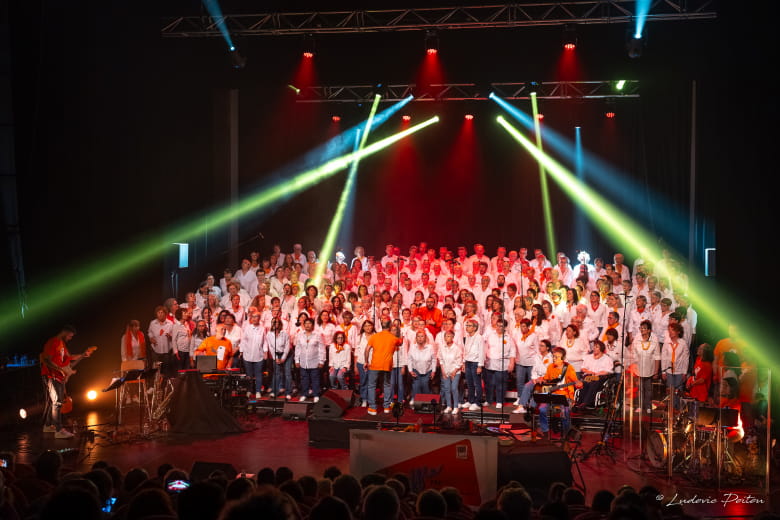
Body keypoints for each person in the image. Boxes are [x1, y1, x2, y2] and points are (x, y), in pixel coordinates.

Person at [41, 325, 90, 438]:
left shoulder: (61, 344)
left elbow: (70, 357)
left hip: (58, 375)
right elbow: (46, 360)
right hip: (50, 375)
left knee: (54, 401)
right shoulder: (53, 342)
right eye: (70, 336)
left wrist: (83, 355)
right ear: (64, 332)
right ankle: (59, 430)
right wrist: (60, 370)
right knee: (57, 402)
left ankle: (48, 426)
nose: (70, 338)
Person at [535, 347, 580, 437]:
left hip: (565, 396)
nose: (554, 359)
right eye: (553, 356)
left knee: (565, 412)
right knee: (542, 409)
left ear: (562, 359)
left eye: (556, 357)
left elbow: (576, 382)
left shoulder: (569, 368)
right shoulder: (550, 367)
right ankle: (545, 431)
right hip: (551, 395)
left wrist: (579, 383)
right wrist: (541, 380)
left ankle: (566, 433)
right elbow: (546, 379)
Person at [365, 319, 402, 415]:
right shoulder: (393, 338)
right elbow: (400, 343)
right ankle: (386, 407)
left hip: (375, 364)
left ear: (381, 326)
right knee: (387, 385)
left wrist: (366, 361)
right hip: (387, 364)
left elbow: (367, 349)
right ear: (390, 326)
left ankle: (373, 408)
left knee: (372, 385)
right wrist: (400, 334)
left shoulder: (374, 336)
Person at [513, 339, 553, 414]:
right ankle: (521, 406)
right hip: (537, 378)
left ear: (547, 348)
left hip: (546, 380)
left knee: (538, 389)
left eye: (542, 346)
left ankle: (531, 408)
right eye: (539, 346)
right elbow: (534, 369)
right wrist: (534, 378)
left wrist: (543, 378)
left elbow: (550, 371)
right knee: (527, 385)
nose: (540, 347)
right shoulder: (537, 356)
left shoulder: (551, 358)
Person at [483, 319, 516, 409]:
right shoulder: (490, 335)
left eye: (501, 326)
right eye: (497, 325)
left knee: (500, 384)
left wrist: (512, 363)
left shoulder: (508, 338)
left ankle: (499, 401)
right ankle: (489, 400)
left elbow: (512, 352)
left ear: (505, 327)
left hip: (502, 363)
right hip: (490, 362)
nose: (498, 327)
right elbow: (485, 347)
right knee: (489, 384)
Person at [629, 320, 660, 414]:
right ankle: (639, 406)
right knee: (639, 389)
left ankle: (648, 406)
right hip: (638, 369)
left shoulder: (654, 341)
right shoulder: (637, 339)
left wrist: (656, 370)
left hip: (649, 369)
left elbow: (657, 357)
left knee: (648, 389)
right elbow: (633, 354)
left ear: (649, 330)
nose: (642, 330)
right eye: (641, 328)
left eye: (644, 328)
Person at [574, 341, 614, 409]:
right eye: (594, 347)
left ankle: (586, 403)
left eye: (597, 347)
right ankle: (579, 402)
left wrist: (597, 374)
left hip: (600, 377)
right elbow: (583, 368)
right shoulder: (588, 357)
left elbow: (608, 371)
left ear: (601, 349)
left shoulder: (607, 359)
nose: (594, 348)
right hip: (589, 375)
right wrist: (590, 372)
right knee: (584, 383)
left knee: (593, 383)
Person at [295, 318, 326, 402]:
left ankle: (316, 394)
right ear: (304, 325)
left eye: (309, 323)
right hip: (303, 362)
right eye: (306, 323)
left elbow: (322, 348)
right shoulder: (300, 335)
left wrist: (321, 361)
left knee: (315, 378)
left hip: (314, 361)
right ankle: (304, 394)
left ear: (313, 325)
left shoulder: (317, 335)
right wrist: (297, 360)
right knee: (304, 379)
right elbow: (298, 348)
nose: (308, 325)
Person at [242, 312, 268, 399]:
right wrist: (241, 351)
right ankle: (249, 390)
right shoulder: (247, 328)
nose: (254, 318)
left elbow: (265, 341)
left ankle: (258, 391)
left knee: (258, 374)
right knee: (249, 375)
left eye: (256, 317)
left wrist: (265, 351)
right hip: (247, 355)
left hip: (258, 355)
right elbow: (243, 340)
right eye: (253, 317)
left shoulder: (262, 329)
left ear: (259, 318)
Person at [462, 319, 485, 411]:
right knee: (469, 383)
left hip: (475, 363)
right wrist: (464, 362)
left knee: (477, 383)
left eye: (469, 326)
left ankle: (478, 402)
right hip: (468, 362)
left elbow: (482, 352)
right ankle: (470, 400)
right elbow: (465, 350)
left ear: (475, 328)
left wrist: (480, 365)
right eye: (466, 325)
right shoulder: (467, 336)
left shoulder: (479, 337)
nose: (467, 327)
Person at [266, 318, 292, 399]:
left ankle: (288, 393)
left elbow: (287, 347)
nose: (275, 323)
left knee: (287, 373)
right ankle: (274, 391)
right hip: (276, 354)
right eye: (273, 322)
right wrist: (275, 358)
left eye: (276, 322)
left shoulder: (285, 333)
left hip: (287, 354)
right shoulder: (269, 334)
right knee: (276, 373)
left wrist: (283, 358)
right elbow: (271, 347)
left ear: (280, 324)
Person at [407, 331, 435, 406]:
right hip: (416, 370)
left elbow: (434, 359)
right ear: (416, 338)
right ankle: (415, 399)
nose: (420, 338)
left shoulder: (430, 347)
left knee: (425, 386)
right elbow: (409, 358)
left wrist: (433, 371)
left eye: (422, 336)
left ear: (425, 338)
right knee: (416, 386)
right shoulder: (413, 347)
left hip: (427, 370)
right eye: (418, 336)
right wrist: (410, 370)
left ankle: (426, 402)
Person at [354, 320, 375, 407]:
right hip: (361, 362)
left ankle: (371, 400)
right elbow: (356, 352)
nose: (368, 327)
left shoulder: (376, 336)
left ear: (372, 326)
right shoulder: (359, 337)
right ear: (363, 327)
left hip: (373, 363)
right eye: (366, 326)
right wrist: (355, 366)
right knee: (363, 381)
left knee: (372, 383)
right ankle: (364, 399)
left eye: (369, 325)